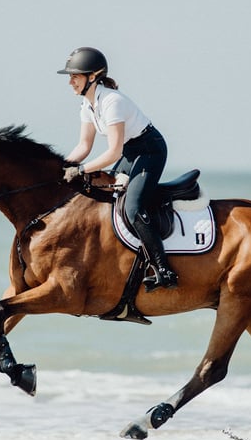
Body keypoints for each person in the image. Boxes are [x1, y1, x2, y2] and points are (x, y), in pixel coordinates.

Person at [58, 46, 177, 291]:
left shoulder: (112, 101)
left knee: (133, 207)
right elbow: (83, 146)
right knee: (99, 191)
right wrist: (61, 169)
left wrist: (80, 170)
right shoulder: (87, 105)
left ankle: (163, 269)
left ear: (92, 77)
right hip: (131, 152)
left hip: (149, 150)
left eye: (75, 76)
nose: (70, 81)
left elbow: (113, 152)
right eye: (70, 76)